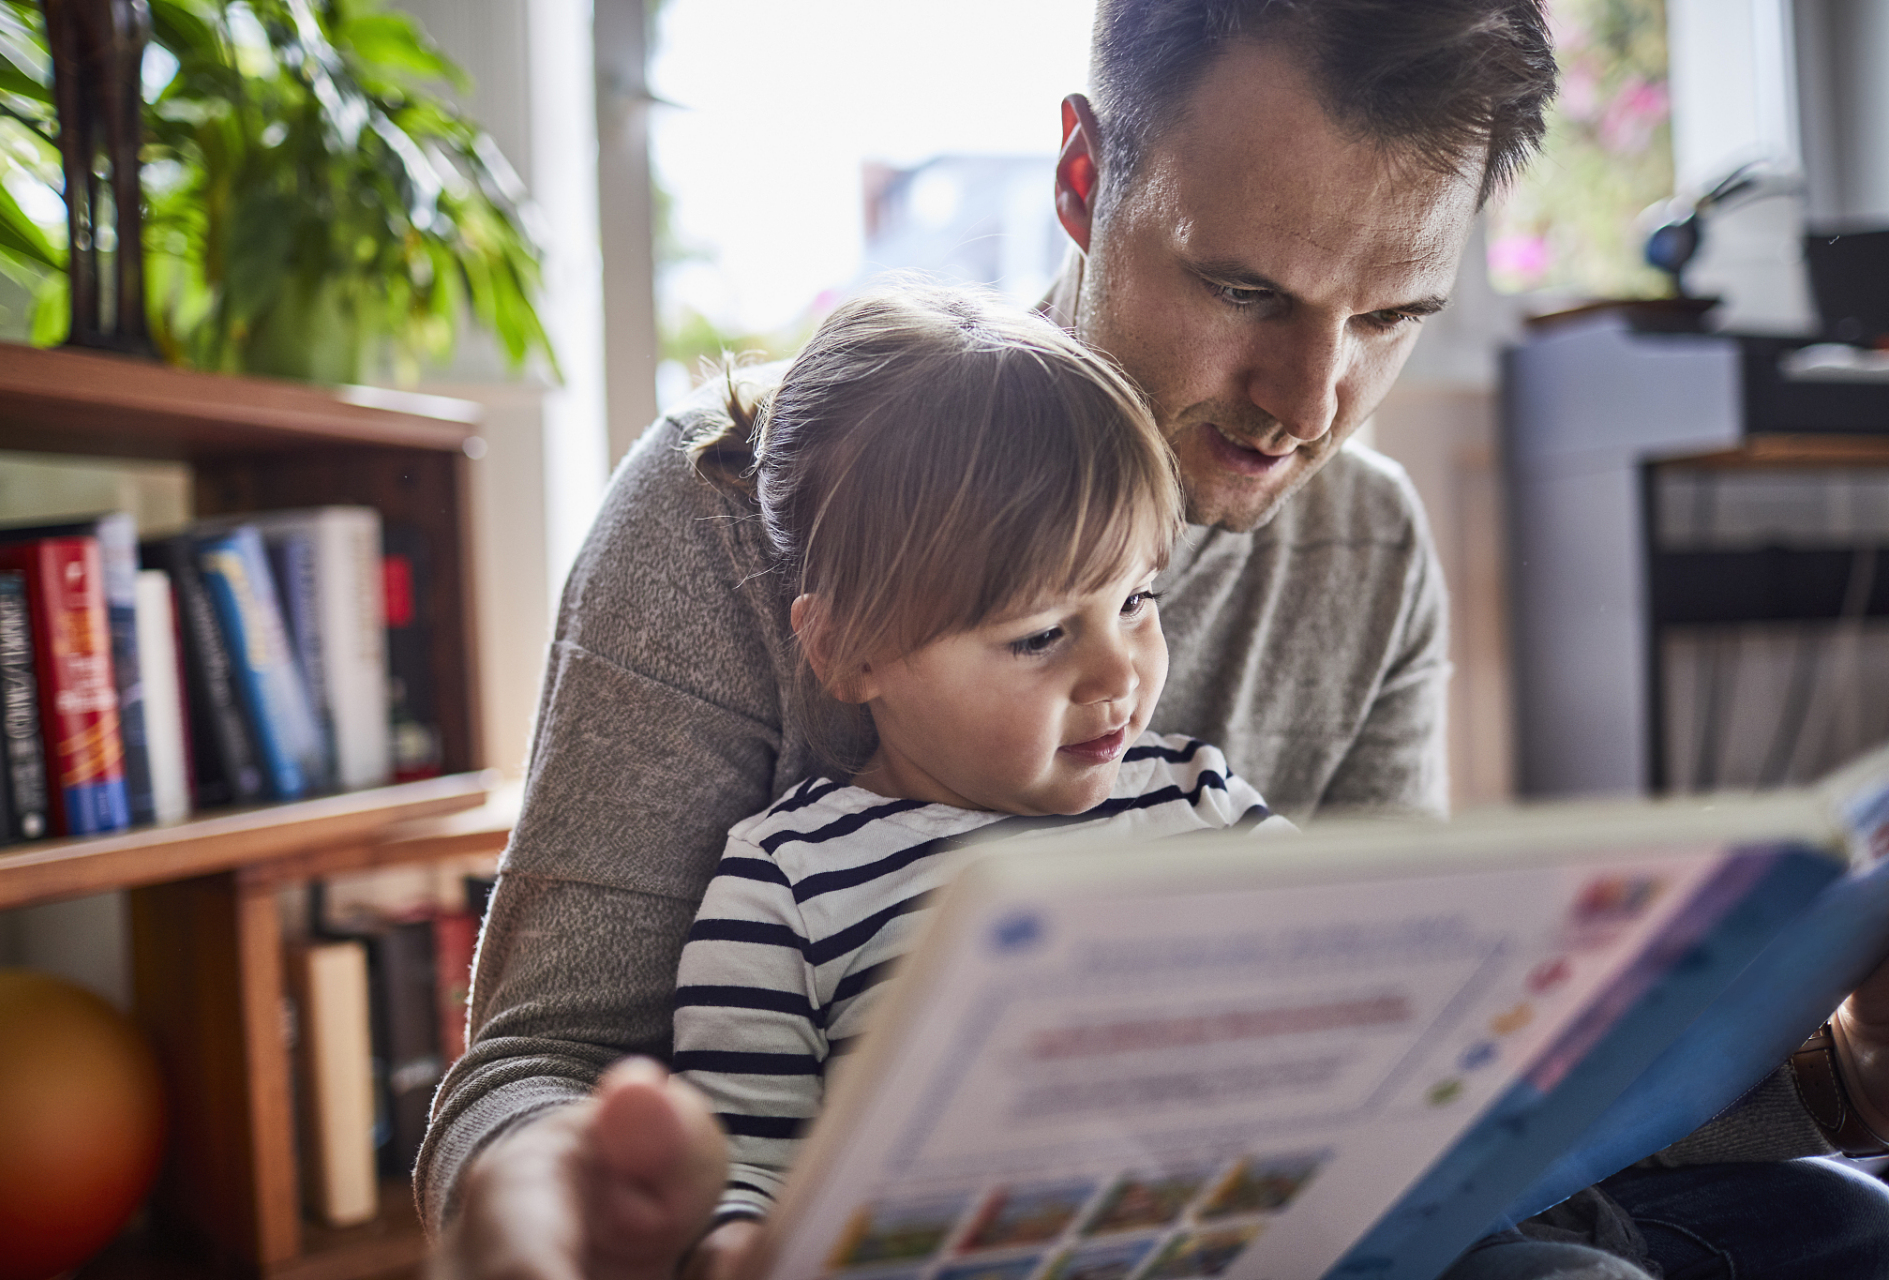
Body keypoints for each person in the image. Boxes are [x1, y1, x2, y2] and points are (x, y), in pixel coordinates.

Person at [425, 4, 1889, 1279]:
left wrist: (1828, 1067)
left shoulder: (1367, 544)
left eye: (1393, 315)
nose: (1311, 399)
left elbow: (1411, 1065)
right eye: (1246, 290)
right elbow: (539, 1060)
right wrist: (552, 1203)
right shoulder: (734, 508)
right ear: (1082, 175)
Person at [669, 285, 1291, 1254]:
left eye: (1137, 599)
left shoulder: (1196, 797)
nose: (1119, 670)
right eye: (1041, 635)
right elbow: (741, 1174)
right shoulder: (786, 887)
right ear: (847, 650)